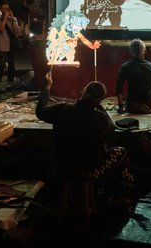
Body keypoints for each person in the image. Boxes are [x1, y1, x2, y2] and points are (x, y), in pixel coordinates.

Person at [36, 71, 134, 203]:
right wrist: (99, 107)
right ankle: (122, 194)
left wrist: (46, 88)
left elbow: (41, 111)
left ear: (82, 93)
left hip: (61, 167)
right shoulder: (99, 117)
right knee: (121, 152)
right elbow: (111, 129)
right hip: (88, 170)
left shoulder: (61, 109)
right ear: (101, 99)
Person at [116, 38, 151, 114]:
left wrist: (121, 106)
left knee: (127, 95)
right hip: (148, 107)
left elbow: (119, 88)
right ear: (145, 51)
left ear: (130, 52)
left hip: (131, 107)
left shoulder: (125, 66)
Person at [0, 2, 21, 90]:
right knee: (2, 64)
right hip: (3, 44)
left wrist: (14, 20)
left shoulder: (12, 19)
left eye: (6, 8)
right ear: (0, 9)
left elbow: (17, 31)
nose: (5, 10)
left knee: (11, 64)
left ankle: (10, 84)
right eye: (3, 8)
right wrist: (5, 17)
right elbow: (0, 29)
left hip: (12, 44)